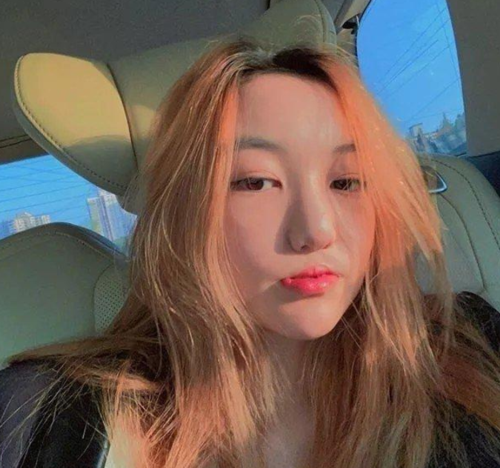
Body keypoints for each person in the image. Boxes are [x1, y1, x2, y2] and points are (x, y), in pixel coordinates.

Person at [1, 37, 500, 468]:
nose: (316, 231)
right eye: (256, 182)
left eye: (346, 181)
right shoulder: (39, 410)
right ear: (185, 213)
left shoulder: (469, 345)